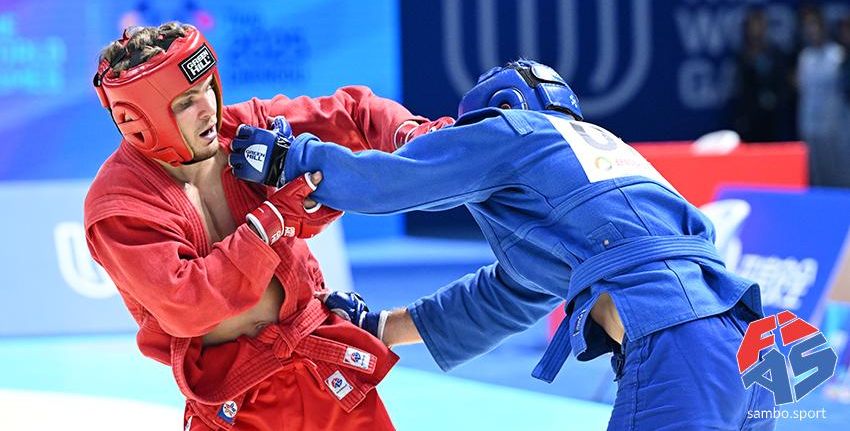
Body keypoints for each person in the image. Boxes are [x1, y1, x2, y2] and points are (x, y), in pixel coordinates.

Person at [231, 60, 776, 430]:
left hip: (675, 345)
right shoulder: (606, 160)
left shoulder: (512, 131)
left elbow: (397, 179)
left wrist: (291, 160)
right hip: (750, 350)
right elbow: (507, 296)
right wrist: (380, 327)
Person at [84, 22, 451, 430]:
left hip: (324, 372)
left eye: (208, 87)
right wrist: (271, 223)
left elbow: (352, 113)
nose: (208, 108)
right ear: (138, 121)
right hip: (237, 402)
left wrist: (416, 137)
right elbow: (189, 305)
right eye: (187, 101)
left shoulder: (245, 130)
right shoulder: (120, 205)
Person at [794, 6, 850, 187]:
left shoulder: (837, 54)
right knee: (815, 168)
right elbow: (802, 88)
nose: (812, 32)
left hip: (835, 120)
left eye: (815, 27)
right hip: (809, 120)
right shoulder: (805, 57)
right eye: (808, 28)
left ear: (823, 28)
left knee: (839, 166)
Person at [731, 8, 794, 142]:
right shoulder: (742, 56)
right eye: (753, 26)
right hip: (749, 118)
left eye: (759, 25)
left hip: (772, 118)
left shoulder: (775, 54)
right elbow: (740, 88)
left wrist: (776, 102)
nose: (756, 30)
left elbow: (782, 83)